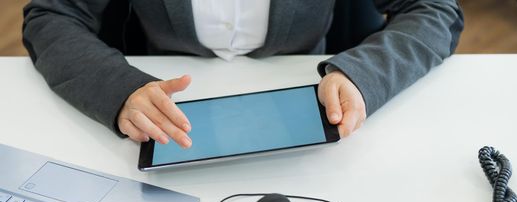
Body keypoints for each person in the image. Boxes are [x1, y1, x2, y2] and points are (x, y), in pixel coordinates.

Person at [22, 0, 463, 149]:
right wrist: (117, 90)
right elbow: (51, 16)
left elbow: (435, 9)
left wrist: (363, 76)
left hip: (309, 109)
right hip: (168, 111)